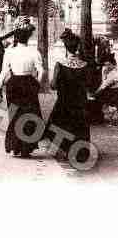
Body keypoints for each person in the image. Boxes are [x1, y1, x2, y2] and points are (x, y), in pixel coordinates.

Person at [0, 16, 44, 158]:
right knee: (29, 115)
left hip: (14, 84)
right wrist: (37, 84)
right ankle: (26, 147)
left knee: (15, 115)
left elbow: (4, 71)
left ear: (16, 38)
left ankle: (15, 146)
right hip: (28, 84)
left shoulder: (10, 52)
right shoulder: (34, 51)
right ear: (28, 38)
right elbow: (41, 70)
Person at [44, 29, 90, 161]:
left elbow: (53, 85)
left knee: (61, 125)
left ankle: (65, 150)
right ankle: (80, 153)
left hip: (65, 102)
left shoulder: (60, 65)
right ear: (77, 47)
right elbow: (89, 84)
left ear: (66, 47)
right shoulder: (84, 65)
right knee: (79, 127)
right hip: (80, 103)